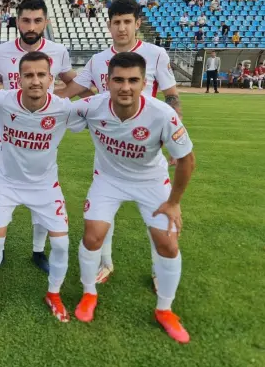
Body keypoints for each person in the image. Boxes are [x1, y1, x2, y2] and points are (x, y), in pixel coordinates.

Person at [69, 52, 195, 343]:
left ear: (144, 82)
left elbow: (187, 160)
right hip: (108, 180)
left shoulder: (162, 114)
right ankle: (89, 293)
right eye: (118, 80)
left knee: (167, 242)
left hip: (151, 182)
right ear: (108, 82)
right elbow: (54, 114)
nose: (125, 87)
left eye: (133, 80)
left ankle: (165, 309)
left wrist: (174, 202)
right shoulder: (91, 107)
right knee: (93, 236)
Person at [56, 0, 182, 285]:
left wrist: (174, 140)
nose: (122, 28)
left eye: (128, 22)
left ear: (137, 23)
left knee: (158, 216)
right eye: (117, 22)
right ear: (109, 25)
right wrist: (36, 102)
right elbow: (73, 89)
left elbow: (171, 94)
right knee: (103, 210)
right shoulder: (98, 60)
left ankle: (158, 270)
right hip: (110, 149)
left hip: (148, 148)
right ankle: (105, 263)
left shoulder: (156, 54)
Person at [0, 0, 77, 273]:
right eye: (26, 20)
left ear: (45, 22)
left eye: (37, 20)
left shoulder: (58, 51)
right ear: (17, 22)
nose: (31, 25)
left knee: (41, 193)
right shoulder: (1, 52)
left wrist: (54, 100)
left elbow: (74, 82)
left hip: (42, 135)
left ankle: (37, 251)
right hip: (8, 137)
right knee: (4, 191)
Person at [0, 51, 73, 321]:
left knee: (63, 245)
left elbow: (100, 118)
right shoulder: (3, 101)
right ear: (17, 79)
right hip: (6, 183)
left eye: (41, 75)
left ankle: (53, 293)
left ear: (51, 79)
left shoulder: (63, 108)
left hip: (45, 186)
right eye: (28, 75)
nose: (35, 81)